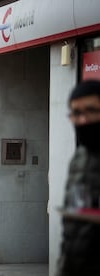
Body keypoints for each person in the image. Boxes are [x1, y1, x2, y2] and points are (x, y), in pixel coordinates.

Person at [57, 80, 100, 276]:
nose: (82, 120)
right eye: (76, 113)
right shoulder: (79, 160)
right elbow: (71, 229)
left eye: (91, 110)